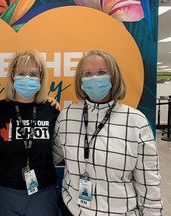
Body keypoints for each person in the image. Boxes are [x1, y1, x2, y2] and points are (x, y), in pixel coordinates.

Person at [52, 50, 163, 215]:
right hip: (73, 209)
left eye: (102, 72)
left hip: (120, 211)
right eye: (87, 74)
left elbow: (149, 182)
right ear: (80, 80)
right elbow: (50, 155)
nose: (94, 78)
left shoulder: (136, 121)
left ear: (114, 77)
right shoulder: (67, 116)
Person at [0, 50, 60, 216]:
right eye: (21, 73)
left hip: (43, 191)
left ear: (41, 77)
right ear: (12, 75)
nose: (27, 78)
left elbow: (59, 149)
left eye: (33, 74)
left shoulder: (52, 110)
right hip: (6, 192)